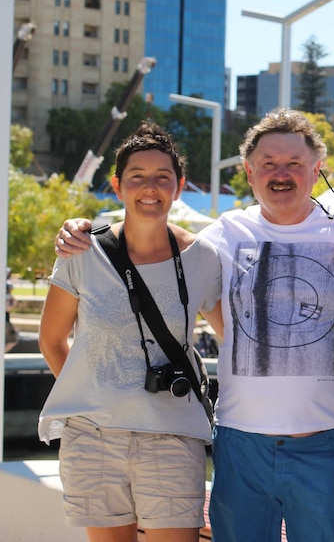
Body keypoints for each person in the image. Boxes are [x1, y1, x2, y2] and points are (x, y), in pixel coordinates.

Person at [54, 110, 334, 542]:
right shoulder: (221, 234)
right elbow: (151, 231)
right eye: (268, 164)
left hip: (326, 442)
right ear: (248, 172)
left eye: (294, 163)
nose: (281, 173)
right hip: (240, 444)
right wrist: (83, 228)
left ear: (317, 170)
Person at [38, 121, 222, 542]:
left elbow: (230, 337)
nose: (150, 188)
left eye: (163, 178)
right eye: (137, 177)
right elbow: (51, 340)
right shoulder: (82, 251)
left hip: (173, 436)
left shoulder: (202, 256)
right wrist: (92, 390)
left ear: (179, 187)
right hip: (92, 437)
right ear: (118, 186)